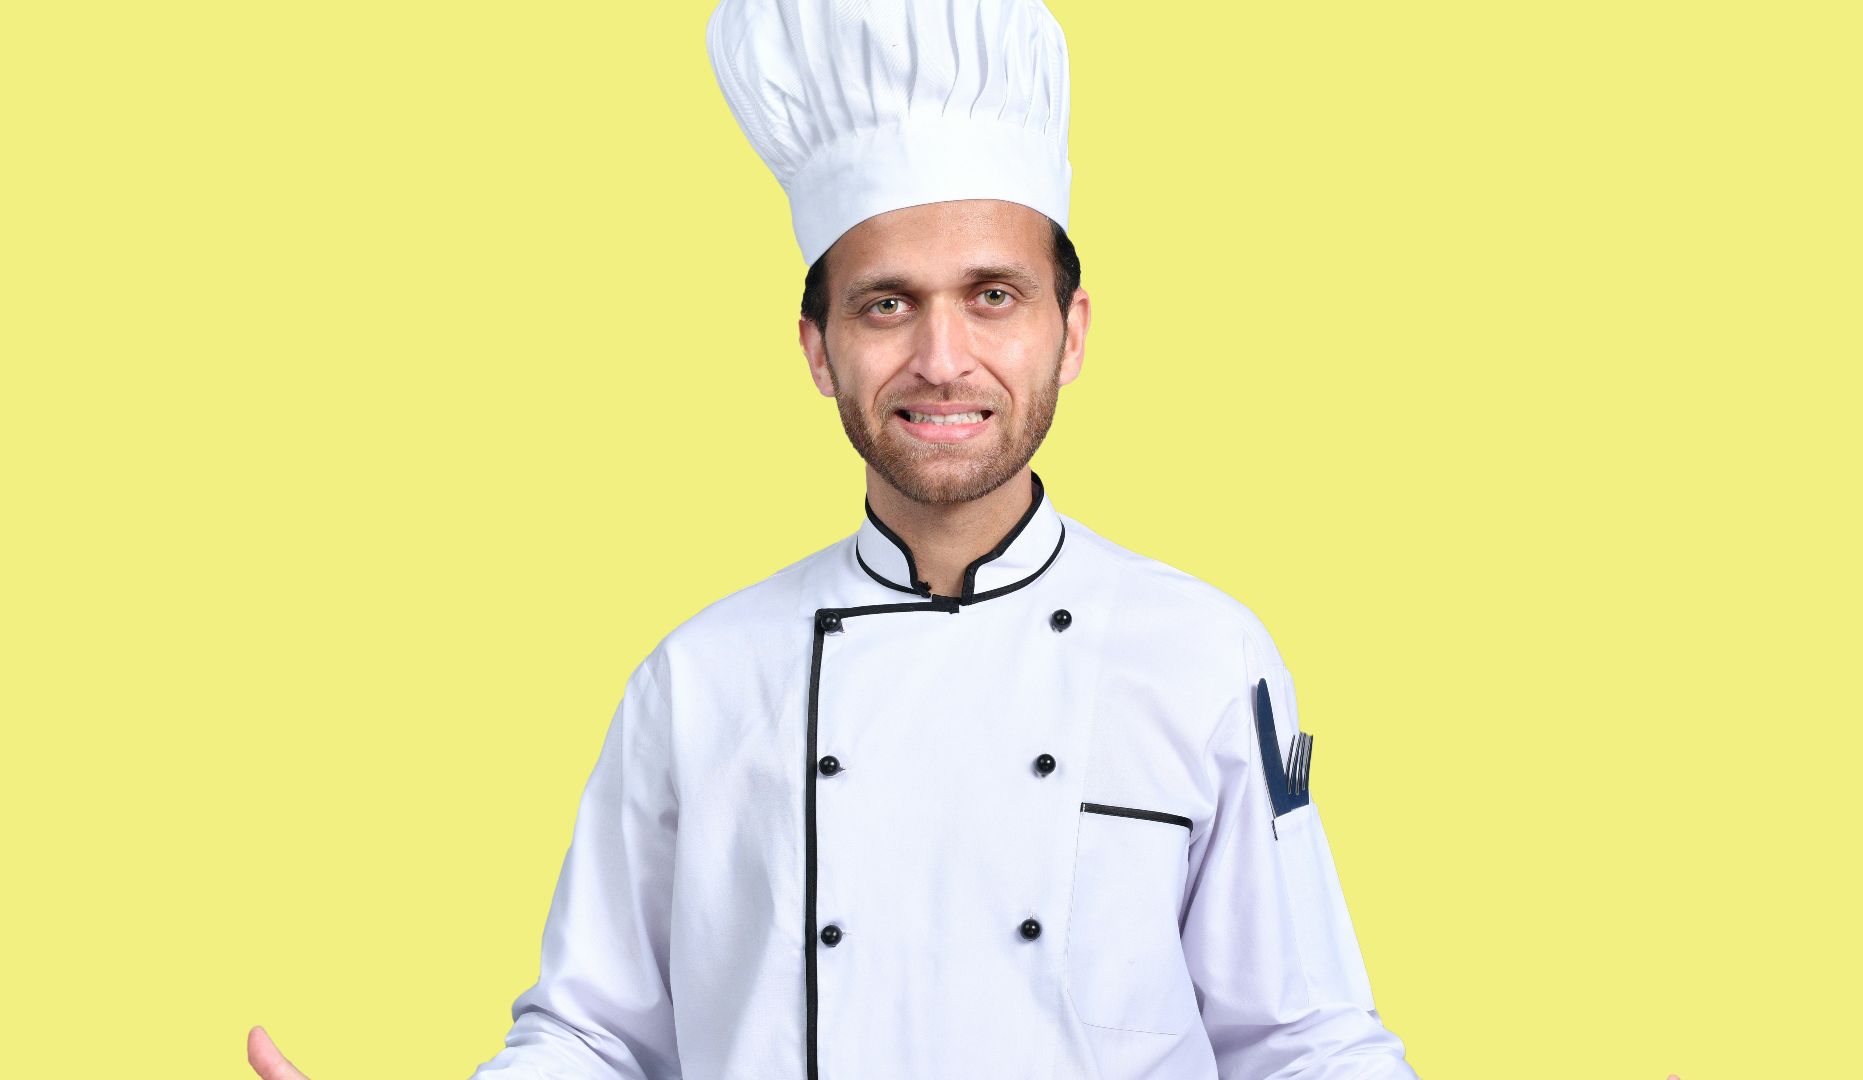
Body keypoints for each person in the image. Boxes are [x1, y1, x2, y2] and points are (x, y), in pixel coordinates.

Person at [248, 1, 1418, 1077]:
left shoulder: (1207, 656)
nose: (943, 360)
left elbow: (1305, 1040)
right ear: (818, 350)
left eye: (994, 296)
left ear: (1070, 333)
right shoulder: (698, 682)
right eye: (886, 304)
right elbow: (594, 1037)